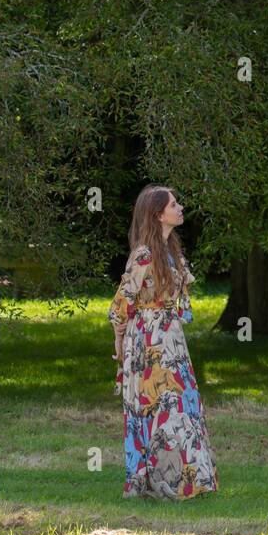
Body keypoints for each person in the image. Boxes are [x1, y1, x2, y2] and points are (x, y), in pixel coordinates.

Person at [109, 184, 218, 500]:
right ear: (158, 213)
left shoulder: (171, 252)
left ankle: (183, 482)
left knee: (182, 407)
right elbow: (122, 303)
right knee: (162, 406)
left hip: (172, 339)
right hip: (148, 341)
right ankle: (159, 485)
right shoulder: (143, 254)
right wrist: (119, 344)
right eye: (174, 204)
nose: (180, 207)